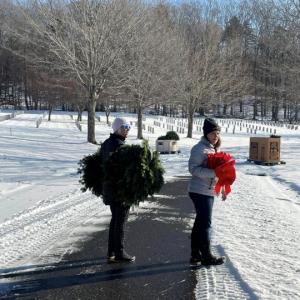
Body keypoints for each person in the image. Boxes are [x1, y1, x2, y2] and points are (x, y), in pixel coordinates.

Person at [188, 117, 226, 266]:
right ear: (206, 134)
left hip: (208, 190)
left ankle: (195, 255)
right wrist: (214, 173)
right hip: (199, 191)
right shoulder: (200, 148)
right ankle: (206, 255)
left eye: (217, 133)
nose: (216, 136)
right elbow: (193, 169)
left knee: (200, 223)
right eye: (213, 133)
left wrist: (222, 188)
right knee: (205, 223)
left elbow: (220, 172)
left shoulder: (213, 148)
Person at [100, 117, 135, 263]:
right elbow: (118, 169)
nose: (126, 130)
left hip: (111, 189)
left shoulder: (108, 143)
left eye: (128, 127)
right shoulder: (118, 145)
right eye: (124, 127)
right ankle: (119, 252)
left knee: (115, 220)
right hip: (119, 190)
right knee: (120, 221)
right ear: (116, 129)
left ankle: (111, 252)